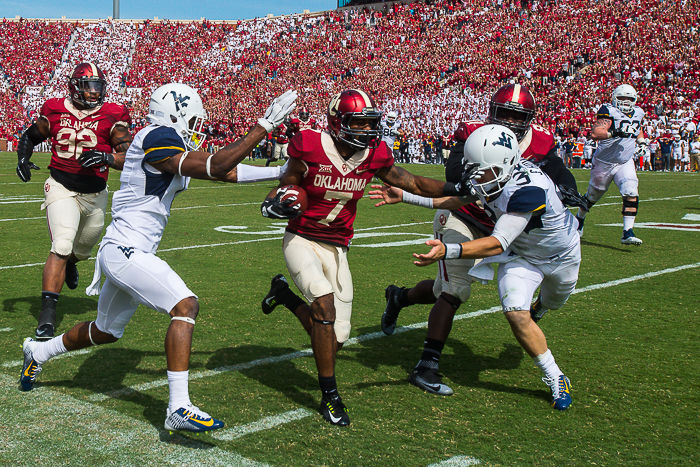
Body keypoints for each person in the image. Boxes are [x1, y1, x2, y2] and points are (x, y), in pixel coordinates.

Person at [19, 84, 298, 434]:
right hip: (126, 249)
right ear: (174, 112)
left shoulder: (164, 140)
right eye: (192, 118)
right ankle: (178, 406)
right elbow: (215, 165)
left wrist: (278, 171)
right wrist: (262, 127)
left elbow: (224, 171)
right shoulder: (158, 136)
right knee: (186, 306)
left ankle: (39, 352)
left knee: (106, 331)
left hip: (125, 248)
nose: (196, 125)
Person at [258, 89, 473, 427]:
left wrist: (456, 189)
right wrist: (275, 200)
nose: (365, 130)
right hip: (302, 238)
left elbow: (412, 181)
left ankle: (283, 295)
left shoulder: (374, 154)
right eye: (357, 123)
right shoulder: (310, 143)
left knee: (335, 338)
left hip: (338, 246)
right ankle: (330, 395)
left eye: (368, 123)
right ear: (337, 122)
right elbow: (288, 183)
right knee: (324, 307)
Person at [373, 84, 582, 396]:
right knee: (454, 289)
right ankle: (427, 363)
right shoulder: (475, 138)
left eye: (516, 115)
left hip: (507, 226)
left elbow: (555, 177)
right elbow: (459, 186)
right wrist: (405, 196)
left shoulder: (532, 166)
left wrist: (569, 189)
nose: (509, 120)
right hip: (468, 215)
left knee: (441, 288)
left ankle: (400, 298)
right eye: (504, 113)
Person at [410, 124, 578, 411]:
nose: (478, 178)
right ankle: (556, 376)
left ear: (505, 164)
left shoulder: (529, 188)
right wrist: (404, 196)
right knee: (515, 311)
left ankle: (542, 307)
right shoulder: (497, 173)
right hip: (523, 257)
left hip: (562, 257)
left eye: (483, 171)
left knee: (554, 302)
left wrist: (447, 250)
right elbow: (458, 199)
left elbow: (497, 242)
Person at [15, 62, 133, 341]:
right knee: (62, 244)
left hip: (95, 193)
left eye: (97, 87)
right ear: (75, 87)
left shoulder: (112, 114)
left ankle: (72, 263)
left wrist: (106, 157)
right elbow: (31, 136)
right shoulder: (55, 109)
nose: (94, 93)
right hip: (61, 186)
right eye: (89, 87)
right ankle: (47, 317)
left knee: (83, 249)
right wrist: (23, 156)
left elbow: (129, 157)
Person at [575, 84, 646, 244]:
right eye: (622, 98)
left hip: (625, 161)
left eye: (629, 98)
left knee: (631, 190)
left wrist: (641, 142)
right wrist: (615, 132)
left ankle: (628, 232)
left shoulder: (639, 112)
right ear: (615, 98)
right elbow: (596, 133)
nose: (626, 102)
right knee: (593, 195)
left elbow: (638, 127)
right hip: (604, 162)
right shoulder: (609, 111)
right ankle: (579, 219)